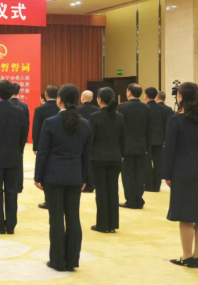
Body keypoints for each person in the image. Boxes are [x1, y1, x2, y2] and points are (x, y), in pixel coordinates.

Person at [34, 84, 92, 273]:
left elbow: (43, 152)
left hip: (53, 176)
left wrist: (38, 176)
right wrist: (84, 177)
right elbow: (87, 155)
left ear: (59, 99)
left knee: (56, 219)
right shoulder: (85, 124)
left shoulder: (50, 122)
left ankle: (57, 260)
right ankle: (72, 260)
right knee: (73, 218)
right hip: (75, 176)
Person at [164, 82, 198, 269]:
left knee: (185, 216)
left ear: (181, 97)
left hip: (182, 171)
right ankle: (197, 257)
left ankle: (186, 256)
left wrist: (167, 173)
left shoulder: (175, 120)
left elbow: (170, 149)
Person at [0, 80, 28, 234]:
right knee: (11, 192)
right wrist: (19, 151)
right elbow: (23, 135)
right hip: (14, 157)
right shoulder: (20, 112)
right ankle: (11, 225)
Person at [88, 87, 125, 234]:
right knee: (113, 190)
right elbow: (122, 139)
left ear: (99, 100)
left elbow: (91, 140)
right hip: (115, 158)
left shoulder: (94, 117)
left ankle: (102, 224)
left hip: (98, 158)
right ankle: (112, 223)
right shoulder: (120, 117)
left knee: (101, 191)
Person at [117, 83, 151, 210]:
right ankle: (139, 199)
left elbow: (120, 128)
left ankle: (131, 200)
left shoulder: (122, 107)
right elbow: (149, 129)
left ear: (129, 92)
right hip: (142, 145)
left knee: (128, 174)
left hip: (127, 146)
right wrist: (147, 146)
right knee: (140, 173)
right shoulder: (146, 108)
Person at [33, 84, 60, 209]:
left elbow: (36, 129)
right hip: (60, 144)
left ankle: (48, 200)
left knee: (45, 170)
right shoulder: (61, 107)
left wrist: (35, 147)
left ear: (46, 95)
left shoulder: (40, 109)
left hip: (45, 145)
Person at [145, 87, 170, 192]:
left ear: (145, 96)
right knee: (158, 163)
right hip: (160, 139)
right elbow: (166, 125)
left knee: (147, 163)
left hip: (147, 140)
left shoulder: (144, 108)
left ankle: (148, 185)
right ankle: (157, 185)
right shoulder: (164, 109)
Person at [9, 83, 30, 193]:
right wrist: (24, 140)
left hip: (7, 138)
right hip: (19, 137)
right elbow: (26, 125)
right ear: (19, 91)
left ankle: (9, 184)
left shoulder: (6, 104)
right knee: (19, 160)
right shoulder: (24, 106)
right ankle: (19, 185)